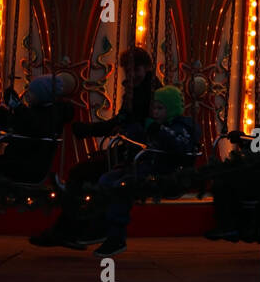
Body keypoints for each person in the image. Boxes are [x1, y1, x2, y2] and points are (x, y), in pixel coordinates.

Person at [30, 50, 157, 247]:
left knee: (81, 174)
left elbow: (124, 123)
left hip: (136, 154)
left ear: (147, 68)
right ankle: (71, 229)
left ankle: (72, 230)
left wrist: (89, 130)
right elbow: (120, 123)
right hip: (130, 151)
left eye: (136, 69)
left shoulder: (144, 94)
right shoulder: (139, 90)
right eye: (128, 70)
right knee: (84, 173)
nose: (132, 74)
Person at [68, 86, 198, 257]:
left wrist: (157, 130)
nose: (156, 112)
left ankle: (117, 236)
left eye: (160, 108)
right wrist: (130, 125)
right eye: (154, 108)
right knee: (106, 179)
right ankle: (100, 225)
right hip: (144, 168)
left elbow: (180, 145)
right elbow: (140, 136)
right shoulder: (156, 124)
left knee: (121, 187)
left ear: (172, 109)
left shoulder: (181, 127)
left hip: (163, 173)